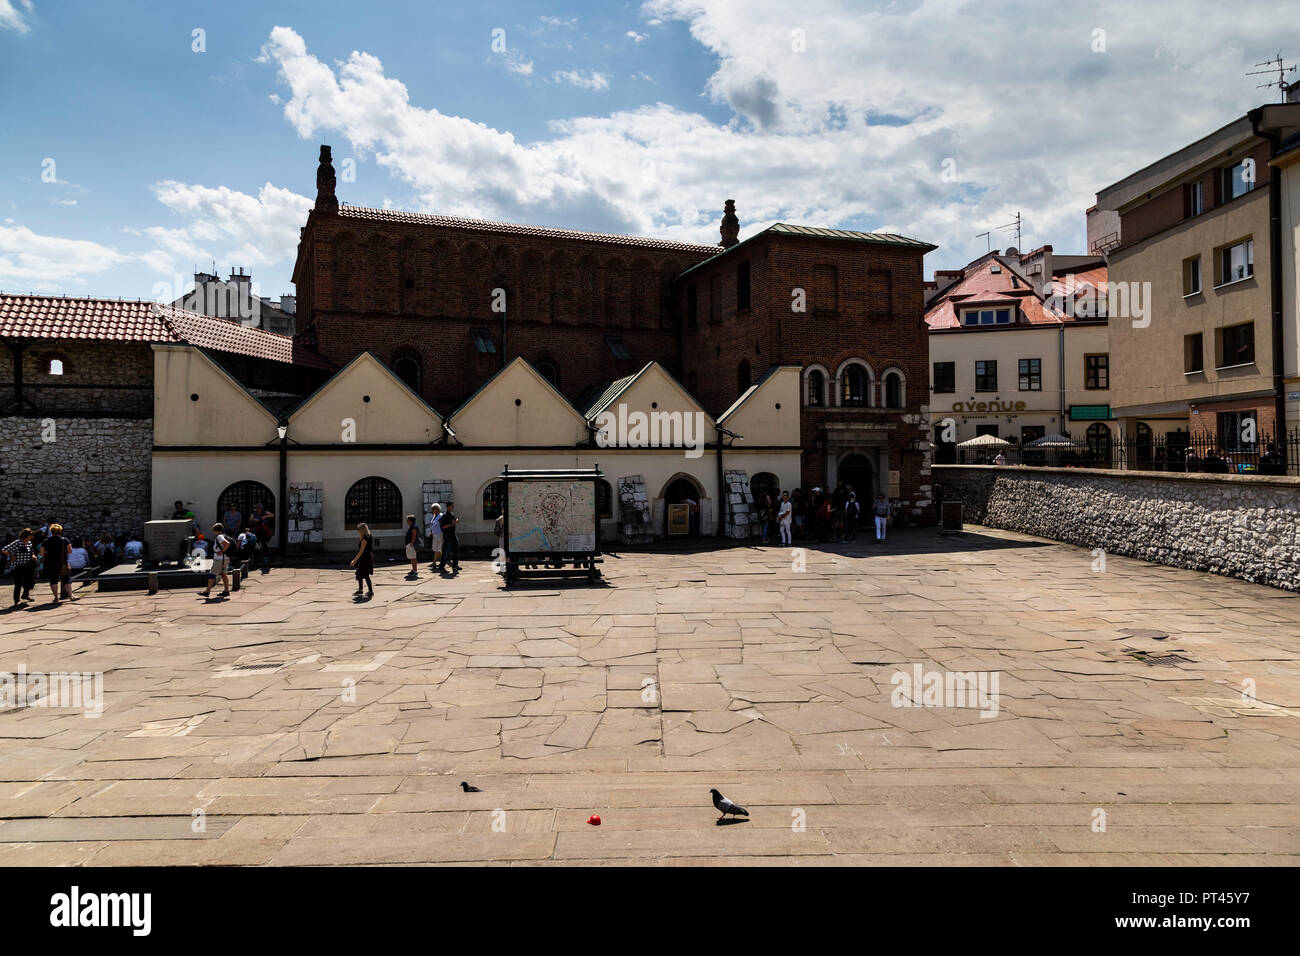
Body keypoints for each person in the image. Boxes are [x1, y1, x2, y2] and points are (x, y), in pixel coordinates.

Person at [40, 523, 74, 604]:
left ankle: (56, 597)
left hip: (50, 563)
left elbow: (41, 553)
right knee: (66, 579)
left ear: (51, 532)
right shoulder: (64, 540)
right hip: (62, 563)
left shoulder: (46, 541)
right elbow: (70, 551)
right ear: (60, 531)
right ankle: (71, 596)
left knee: (53, 580)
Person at [2, 529, 37, 606]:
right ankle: (16, 600)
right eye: (30, 536)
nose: (31, 538)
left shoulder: (29, 543)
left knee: (30, 582)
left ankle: (25, 594)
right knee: (18, 583)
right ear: (25, 536)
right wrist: (12, 555)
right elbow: (4, 550)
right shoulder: (17, 543)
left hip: (28, 565)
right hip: (19, 566)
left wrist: (33, 556)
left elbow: (31, 552)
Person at [200, 523, 234, 599]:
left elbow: (227, 544)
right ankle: (226, 591)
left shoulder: (219, 536)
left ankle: (207, 591)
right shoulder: (223, 535)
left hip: (220, 559)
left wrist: (222, 551)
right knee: (223, 574)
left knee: (212, 574)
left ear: (215, 530)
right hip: (224, 558)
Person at [349, 522, 374, 597]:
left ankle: (370, 591)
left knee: (365, 574)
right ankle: (360, 590)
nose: (357, 531)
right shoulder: (369, 536)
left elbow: (361, 551)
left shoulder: (365, 539)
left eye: (358, 529)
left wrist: (354, 561)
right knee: (359, 573)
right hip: (366, 556)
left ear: (362, 530)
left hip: (365, 558)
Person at [249, 502, 274, 568]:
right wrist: (256, 519)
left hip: (264, 531)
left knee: (264, 544)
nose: (259, 509)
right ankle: (256, 559)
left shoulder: (265, 512)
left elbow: (272, 515)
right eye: (258, 508)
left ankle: (265, 557)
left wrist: (265, 516)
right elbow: (250, 519)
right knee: (256, 544)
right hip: (256, 531)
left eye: (260, 508)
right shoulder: (254, 513)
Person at [438, 502, 460, 574]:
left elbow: (453, 523)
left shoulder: (452, 514)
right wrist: (452, 523)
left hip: (453, 535)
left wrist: (456, 521)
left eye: (453, 506)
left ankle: (455, 565)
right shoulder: (445, 515)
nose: (453, 507)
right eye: (451, 506)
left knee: (455, 551)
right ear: (448, 506)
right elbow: (443, 527)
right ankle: (441, 567)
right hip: (447, 536)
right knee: (446, 552)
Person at [426, 503, 444, 571]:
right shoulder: (434, 516)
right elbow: (433, 525)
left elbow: (441, 525)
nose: (433, 510)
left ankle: (434, 563)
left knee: (437, 549)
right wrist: (431, 532)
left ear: (438, 509)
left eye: (434, 509)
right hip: (435, 534)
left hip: (439, 534)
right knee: (438, 549)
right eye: (432, 509)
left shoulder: (440, 516)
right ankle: (441, 562)